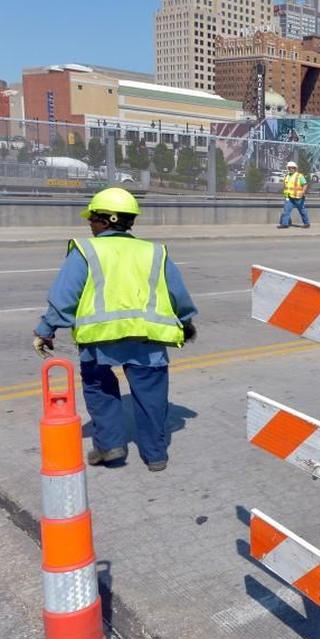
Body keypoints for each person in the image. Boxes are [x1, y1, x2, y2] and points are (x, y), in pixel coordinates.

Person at [33, 188, 198, 472]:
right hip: (148, 340)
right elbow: (177, 294)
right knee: (151, 396)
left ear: (106, 220)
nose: (90, 225)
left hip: (99, 340)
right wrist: (185, 321)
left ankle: (110, 445)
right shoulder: (154, 251)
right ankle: (156, 455)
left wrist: (46, 329)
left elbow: (64, 297)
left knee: (99, 389)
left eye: (93, 219)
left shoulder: (86, 250)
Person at [278, 160, 310, 229]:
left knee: (302, 211)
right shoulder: (286, 176)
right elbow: (285, 186)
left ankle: (306, 223)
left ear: (295, 168)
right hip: (289, 197)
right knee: (286, 211)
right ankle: (285, 224)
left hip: (298, 197)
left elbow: (305, 184)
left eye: (292, 168)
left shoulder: (299, 176)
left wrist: (303, 192)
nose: (290, 169)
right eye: (289, 168)